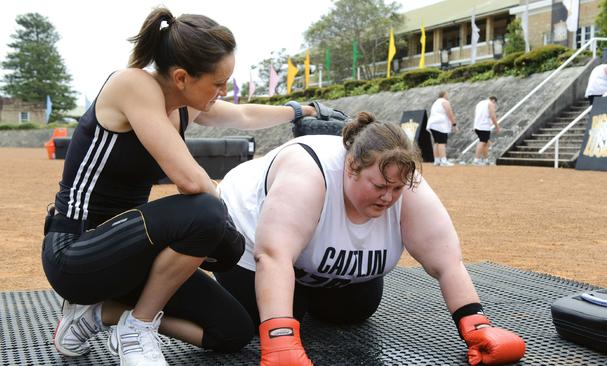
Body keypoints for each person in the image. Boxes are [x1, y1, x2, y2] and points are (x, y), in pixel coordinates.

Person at [41, 7, 316, 366]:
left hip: (132, 255)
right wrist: (224, 226)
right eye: (218, 84)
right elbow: (190, 181)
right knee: (205, 212)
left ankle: (95, 316)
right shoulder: (133, 84)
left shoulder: (184, 104)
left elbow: (245, 114)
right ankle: (137, 328)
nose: (222, 92)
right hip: (77, 251)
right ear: (183, 77)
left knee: (232, 331)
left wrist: (303, 111)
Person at [214, 112, 526, 365]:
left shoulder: (404, 182)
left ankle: (305, 291)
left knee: (355, 309)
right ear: (351, 168)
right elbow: (273, 255)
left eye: (396, 189)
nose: (388, 197)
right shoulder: (307, 174)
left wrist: (477, 326)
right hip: (247, 240)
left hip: (315, 264)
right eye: (378, 187)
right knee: (271, 315)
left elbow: (447, 262)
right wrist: (280, 338)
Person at [427, 91, 458, 166]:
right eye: (447, 94)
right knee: (441, 142)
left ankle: (437, 160)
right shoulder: (445, 101)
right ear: (444, 95)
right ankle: (443, 161)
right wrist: (454, 124)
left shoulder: (436, 102)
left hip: (432, 124)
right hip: (440, 125)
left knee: (437, 142)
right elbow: (450, 113)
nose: (448, 96)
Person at [473, 96, 499, 166]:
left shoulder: (480, 103)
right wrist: (497, 126)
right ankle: (476, 159)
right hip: (484, 126)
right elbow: (493, 116)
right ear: (493, 100)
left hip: (477, 125)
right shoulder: (490, 104)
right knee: (482, 142)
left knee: (485, 143)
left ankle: (485, 160)